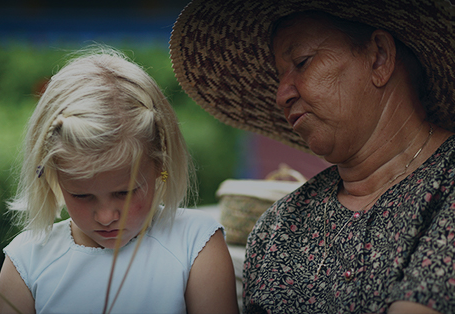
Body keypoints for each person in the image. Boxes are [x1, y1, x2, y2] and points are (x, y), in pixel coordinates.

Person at [169, 0, 455, 313]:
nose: (282, 95)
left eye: (302, 62)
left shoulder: (446, 183)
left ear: (379, 58)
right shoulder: (280, 226)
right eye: (280, 76)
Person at [0, 47, 239, 314]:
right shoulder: (26, 260)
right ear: (51, 175)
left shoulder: (196, 244)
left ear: (161, 165)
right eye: (82, 195)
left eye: (125, 193)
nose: (106, 216)